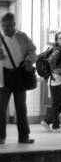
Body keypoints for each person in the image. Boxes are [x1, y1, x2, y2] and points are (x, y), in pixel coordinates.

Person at [0, 12, 36, 144]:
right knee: (0, 108)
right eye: (3, 26)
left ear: (14, 24)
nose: (6, 29)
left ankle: (24, 136)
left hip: (19, 75)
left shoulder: (22, 37)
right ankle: (0, 137)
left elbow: (32, 51)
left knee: (21, 108)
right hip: (3, 76)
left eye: (8, 26)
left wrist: (28, 60)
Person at [40, 31, 61, 132]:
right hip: (55, 79)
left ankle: (47, 121)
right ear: (57, 41)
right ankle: (55, 126)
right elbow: (49, 60)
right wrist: (54, 70)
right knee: (57, 103)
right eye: (60, 38)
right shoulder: (58, 50)